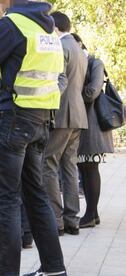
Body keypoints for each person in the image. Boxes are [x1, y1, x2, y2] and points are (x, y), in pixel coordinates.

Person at [0, 0, 66, 275]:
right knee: (36, 195)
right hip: (41, 121)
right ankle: (54, 269)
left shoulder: (10, 25)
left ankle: (6, 272)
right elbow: (56, 78)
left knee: (6, 199)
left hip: (13, 120)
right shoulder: (50, 29)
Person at [42, 11, 88, 236]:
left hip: (62, 113)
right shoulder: (79, 48)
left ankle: (56, 219)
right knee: (69, 167)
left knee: (48, 164)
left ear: (55, 27)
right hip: (78, 114)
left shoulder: (60, 47)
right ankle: (72, 220)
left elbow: (59, 81)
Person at [72, 33, 114, 228]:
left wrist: (74, 92)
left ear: (80, 44)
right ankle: (93, 214)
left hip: (93, 123)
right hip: (81, 122)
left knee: (90, 167)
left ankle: (90, 214)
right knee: (84, 168)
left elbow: (93, 92)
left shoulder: (95, 62)